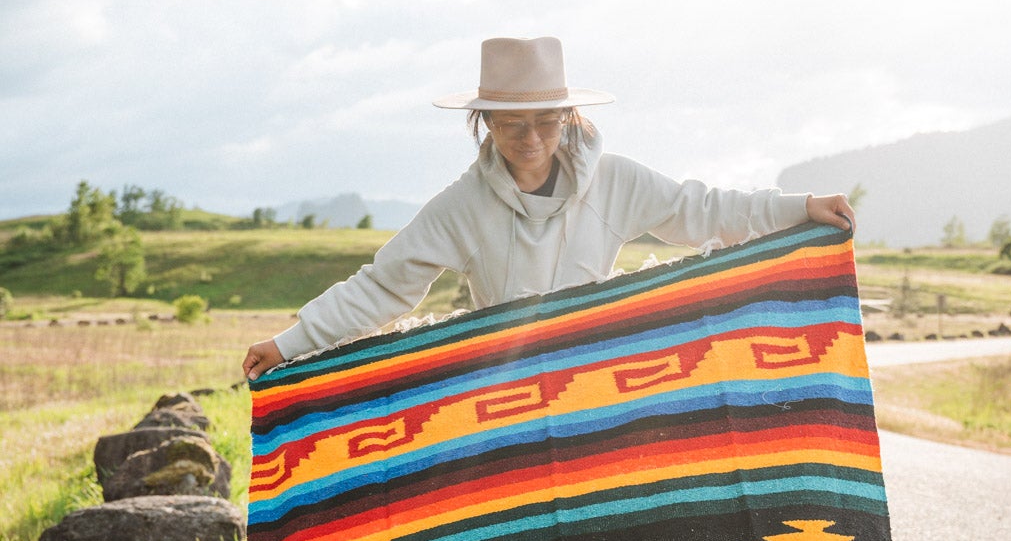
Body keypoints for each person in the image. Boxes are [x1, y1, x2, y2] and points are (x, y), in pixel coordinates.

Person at [242, 36, 854, 379]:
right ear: (483, 124)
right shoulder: (462, 207)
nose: (531, 138)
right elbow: (386, 285)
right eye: (512, 124)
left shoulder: (617, 182)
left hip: (603, 375)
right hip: (503, 386)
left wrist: (800, 207)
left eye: (545, 121)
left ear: (568, 118)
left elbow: (705, 211)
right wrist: (292, 341)